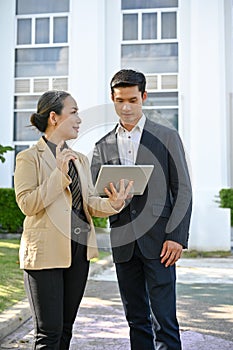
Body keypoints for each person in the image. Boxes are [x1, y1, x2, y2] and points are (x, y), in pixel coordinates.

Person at [14, 90, 133, 349]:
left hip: (78, 252)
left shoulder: (79, 158)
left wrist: (113, 204)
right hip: (45, 254)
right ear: (54, 117)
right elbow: (27, 204)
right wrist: (59, 174)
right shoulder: (28, 158)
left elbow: (89, 202)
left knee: (66, 330)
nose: (79, 118)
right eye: (74, 112)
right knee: (49, 334)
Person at [91, 69, 192, 350]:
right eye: (120, 100)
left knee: (165, 321)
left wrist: (176, 236)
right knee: (136, 321)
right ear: (112, 99)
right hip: (123, 243)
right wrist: (110, 200)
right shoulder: (101, 146)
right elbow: (95, 194)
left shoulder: (167, 137)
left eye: (132, 100)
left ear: (143, 97)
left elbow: (182, 189)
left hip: (160, 242)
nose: (126, 107)